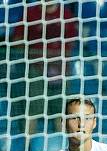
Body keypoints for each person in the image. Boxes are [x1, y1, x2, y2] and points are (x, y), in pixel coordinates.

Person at [10, 1, 78, 137]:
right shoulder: (30, 13)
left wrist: (56, 58)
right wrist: (33, 52)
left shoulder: (66, 15)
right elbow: (17, 40)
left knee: (60, 112)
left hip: (60, 70)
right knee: (32, 110)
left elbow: (71, 43)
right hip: (36, 70)